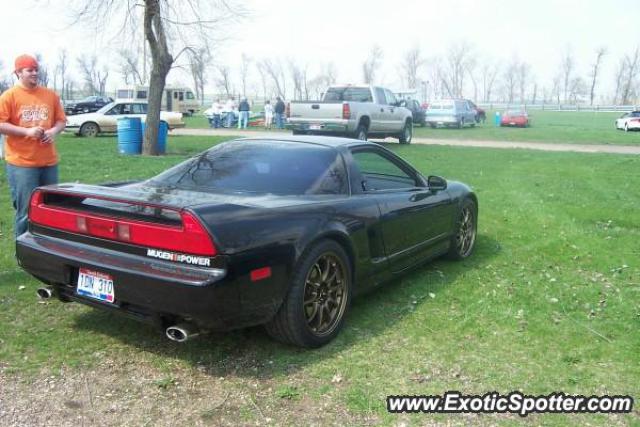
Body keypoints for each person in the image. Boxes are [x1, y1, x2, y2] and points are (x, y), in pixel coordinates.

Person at [0, 54, 66, 238]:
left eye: (36, 69)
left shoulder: (50, 95)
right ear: (18, 72)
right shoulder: (9, 96)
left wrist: (53, 131)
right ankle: (23, 247)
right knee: (26, 209)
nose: (35, 73)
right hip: (22, 163)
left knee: (51, 206)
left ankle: (47, 245)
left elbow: (61, 121)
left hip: (48, 162)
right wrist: (26, 132)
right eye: (30, 70)